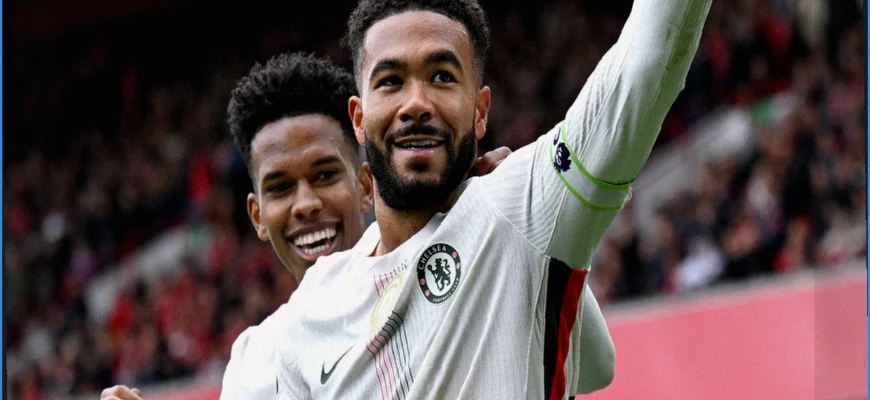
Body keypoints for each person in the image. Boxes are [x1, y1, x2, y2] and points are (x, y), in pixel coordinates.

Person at [274, 0, 710, 398]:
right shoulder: (312, 308)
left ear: (480, 110)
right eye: (390, 82)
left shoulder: (517, 205)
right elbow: (595, 367)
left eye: (442, 77)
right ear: (358, 117)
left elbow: (647, 60)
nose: (416, 104)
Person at [100, 51, 567, 400]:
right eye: (281, 187)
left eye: (325, 176)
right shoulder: (254, 359)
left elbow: (590, 365)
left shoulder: (453, 263)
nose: (305, 204)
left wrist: (507, 232)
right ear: (258, 216)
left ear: (365, 185)